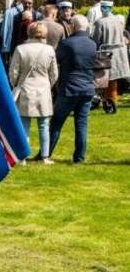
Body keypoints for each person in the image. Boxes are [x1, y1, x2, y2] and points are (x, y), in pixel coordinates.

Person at [9, 22, 59, 164]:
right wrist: (48, 85)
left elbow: (13, 72)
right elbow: (54, 73)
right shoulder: (49, 50)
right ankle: (45, 156)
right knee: (44, 125)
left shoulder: (20, 49)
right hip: (43, 89)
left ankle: (23, 157)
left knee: (24, 125)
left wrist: (16, 85)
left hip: (25, 88)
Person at [49, 15, 96, 164]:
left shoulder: (66, 43)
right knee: (81, 124)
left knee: (56, 123)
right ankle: (79, 157)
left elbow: (56, 59)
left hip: (69, 88)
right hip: (87, 88)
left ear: (73, 26)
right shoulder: (92, 44)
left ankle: (46, 153)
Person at [91, 1, 129, 104]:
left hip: (107, 53)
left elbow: (95, 40)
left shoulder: (100, 22)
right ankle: (111, 100)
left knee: (107, 78)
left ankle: (109, 101)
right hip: (119, 53)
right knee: (114, 79)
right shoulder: (118, 20)